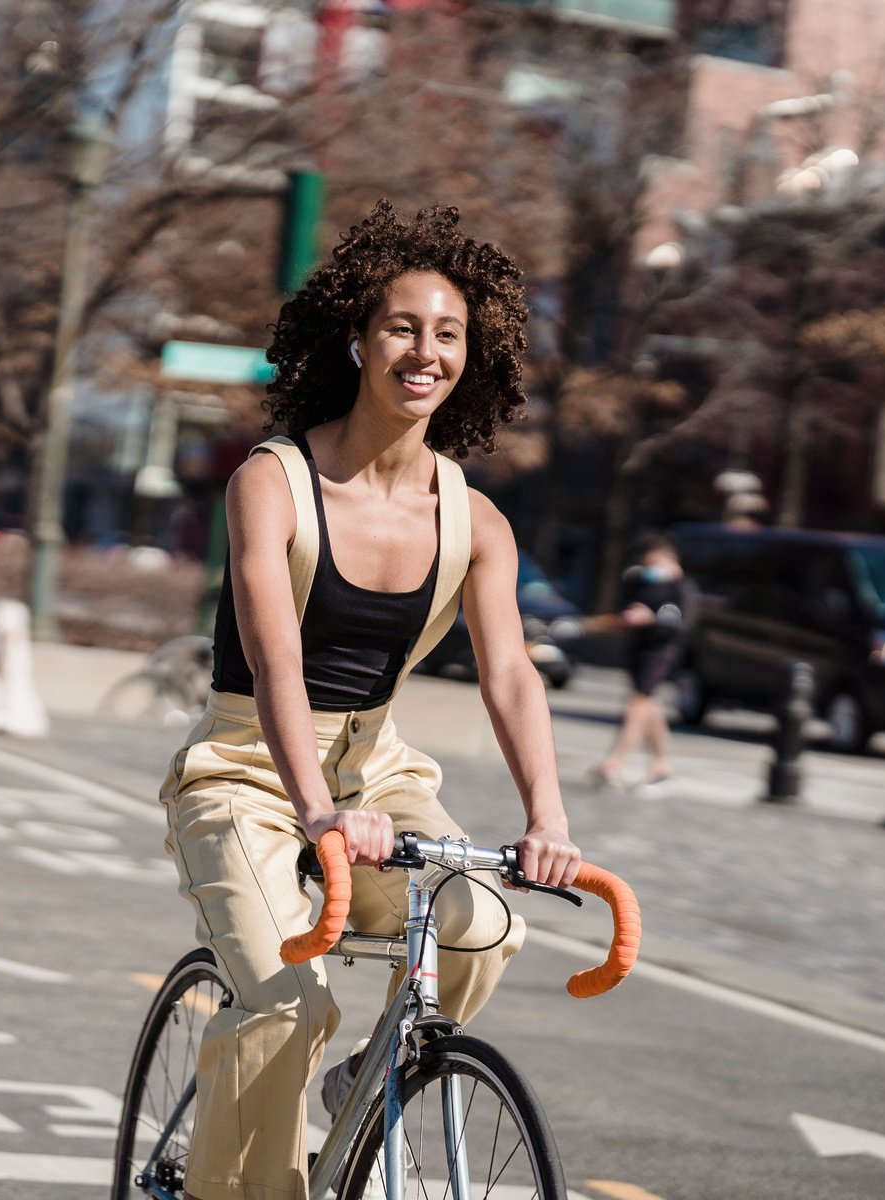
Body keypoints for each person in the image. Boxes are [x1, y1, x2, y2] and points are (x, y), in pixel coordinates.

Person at [159, 201, 578, 1200]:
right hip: (251, 768)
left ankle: (372, 1082)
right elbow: (273, 661)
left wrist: (547, 817)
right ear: (358, 337)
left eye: (448, 334)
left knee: (481, 924)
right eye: (402, 327)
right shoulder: (275, 480)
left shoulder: (474, 520)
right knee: (286, 1004)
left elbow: (509, 671)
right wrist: (315, 812)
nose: (424, 352)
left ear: (471, 357)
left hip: (377, 772)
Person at [595, 534, 696, 791]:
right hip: (638, 648)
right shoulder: (639, 581)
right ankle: (662, 765)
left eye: (655, 563)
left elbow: (685, 622)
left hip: (661, 651)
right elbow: (624, 605)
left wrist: (651, 619)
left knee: (638, 703)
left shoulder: (682, 586)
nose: (650, 569)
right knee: (649, 704)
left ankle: (615, 761)